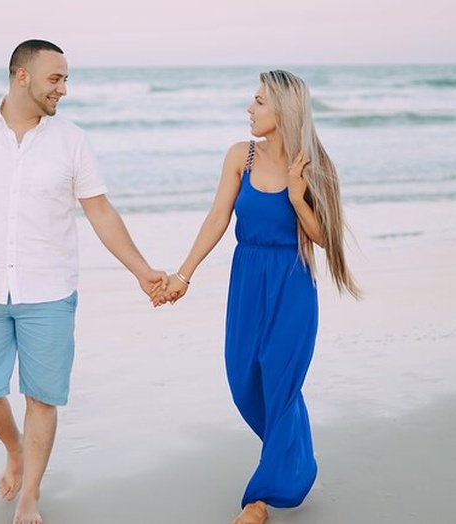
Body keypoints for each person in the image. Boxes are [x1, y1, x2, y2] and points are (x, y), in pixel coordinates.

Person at [0, 39, 167, 524]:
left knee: (42, 397)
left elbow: (100, 212)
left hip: (49, 291)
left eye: (65, 79)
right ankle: (15, 446)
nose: (63, 89)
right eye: (55, 78)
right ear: (21, 76)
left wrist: (142, 270)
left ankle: (31, 494)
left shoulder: (73, 141)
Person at [153, 70, 361, 524]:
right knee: (244, 378)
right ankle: (297, 462)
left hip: (292, 284)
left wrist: (298, 197)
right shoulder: (240, 155)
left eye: (260, 101)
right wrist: (184, 275)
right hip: (247, 279)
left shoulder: (315, 164)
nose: (250, 109)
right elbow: (217, 218)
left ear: (284, 109)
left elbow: (325, 239)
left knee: (281, 384)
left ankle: (260, 499)